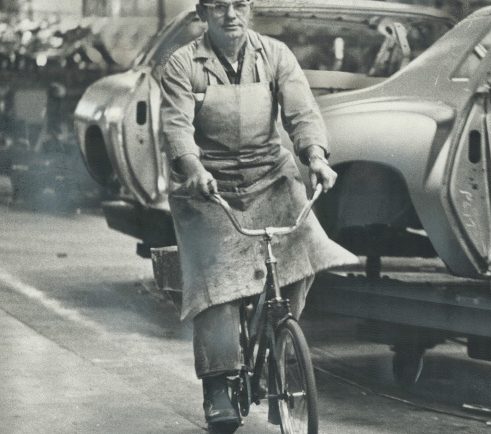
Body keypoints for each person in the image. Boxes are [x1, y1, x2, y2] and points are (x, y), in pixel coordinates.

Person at [159, 1, 358, 431]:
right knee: (216, 284)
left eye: (240, 4)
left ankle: (274, 339)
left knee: (305, 252)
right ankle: (217, 384)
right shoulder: (181, 64)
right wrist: (193, 169)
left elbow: (302, 113)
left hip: (270, 175)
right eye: (219, 5)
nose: (231, 14)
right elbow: (176, 128)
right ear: (202, 11)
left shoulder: (276, 55)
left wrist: (317, 157)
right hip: (207, 187)